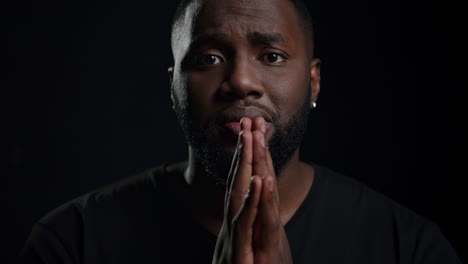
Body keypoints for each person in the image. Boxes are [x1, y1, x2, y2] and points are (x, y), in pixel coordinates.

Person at [19, 0, 462, 263]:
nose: (241, 82)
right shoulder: (71, 244)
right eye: (209, 58)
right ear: (173, 87)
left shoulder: (409, 248)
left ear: (313, 82)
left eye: (271, 56)